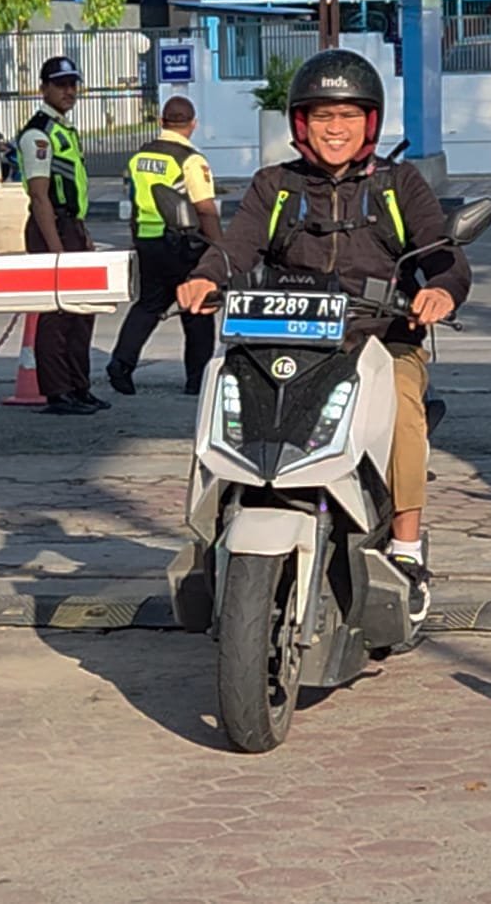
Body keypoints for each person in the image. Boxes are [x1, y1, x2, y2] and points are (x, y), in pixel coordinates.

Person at [176, 49, 471, 624]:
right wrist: (205, 277)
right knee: (222, 390)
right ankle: (210, 527)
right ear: (301, 124)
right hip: (281, 339)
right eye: (323, 116)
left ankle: (406, 550)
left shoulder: (399, 184)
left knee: (404, 406)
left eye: (348, 116)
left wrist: (441, 289)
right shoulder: (275, 186)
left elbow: (443, 252)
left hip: (378, 341)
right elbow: (236, 247)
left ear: (370, 122)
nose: (336, 128)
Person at [107, 97, 222, 398]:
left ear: (162, 122)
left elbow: (134, 199)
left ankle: (121, 364)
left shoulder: (140, 157)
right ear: (193, 124)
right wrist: (219, 250)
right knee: (196, 310)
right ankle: (197, 380)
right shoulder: (190, 160)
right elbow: (205, 209)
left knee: (148, 306)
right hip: (183, 244)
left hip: (147, 240)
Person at [19, 55, 110, 416]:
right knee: (57, 313)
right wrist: (57, 250)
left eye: (73, 84)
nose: (69, 91)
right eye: (60, 85)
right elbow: (40, 196)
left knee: (82, 310)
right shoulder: (38, 134)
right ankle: (58, 392)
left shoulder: (64, 129)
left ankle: (79, 387)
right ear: (43, 89)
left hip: (71, 226)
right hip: (51, 228)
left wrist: (80, 236)